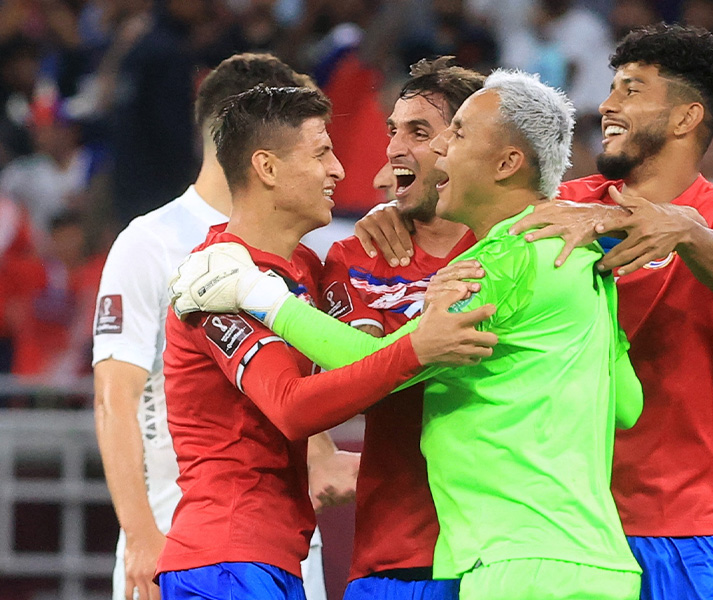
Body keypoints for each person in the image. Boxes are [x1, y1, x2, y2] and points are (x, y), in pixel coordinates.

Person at [170, 69, 644, 600]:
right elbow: (627, 404)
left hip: (510, 560)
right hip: (597, 561)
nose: (437, 151)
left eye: (451, 133)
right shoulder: (581, 261)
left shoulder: (495, 264)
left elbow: (366, 361)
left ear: (507, 161)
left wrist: (262, 297)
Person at [353, 24, 713, 600]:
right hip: (563, 523)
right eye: (612, 88)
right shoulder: (567, 205)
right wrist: (400, 209)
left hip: (677, 522)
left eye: (632, 89)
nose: (607, 104)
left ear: (685, 118)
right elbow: (480, 192)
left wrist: (675, 225)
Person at [158, 84, 496, 600]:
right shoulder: (218, 279)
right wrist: (421, 347)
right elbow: (292, 407)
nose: (340, 170)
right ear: (267, 169)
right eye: (322, 154)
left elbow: (354, 358)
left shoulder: (307, 270)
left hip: (272, 555)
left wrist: (396, 214)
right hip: (225, 554)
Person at [92, 53, 351, 600]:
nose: (333, 166)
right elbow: (115, 398)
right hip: (181, 533)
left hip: (283, 538)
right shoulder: (151, 241)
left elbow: (295, 382)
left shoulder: (299, 249)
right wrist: (140, 534)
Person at [319, 57, 483, 600]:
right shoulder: (356, 254)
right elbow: (356, 379)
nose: (392, 148)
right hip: (395, 554)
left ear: (467, 145)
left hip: (500, 554)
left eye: (419, 131)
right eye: (394, 130)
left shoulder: (520, 250)